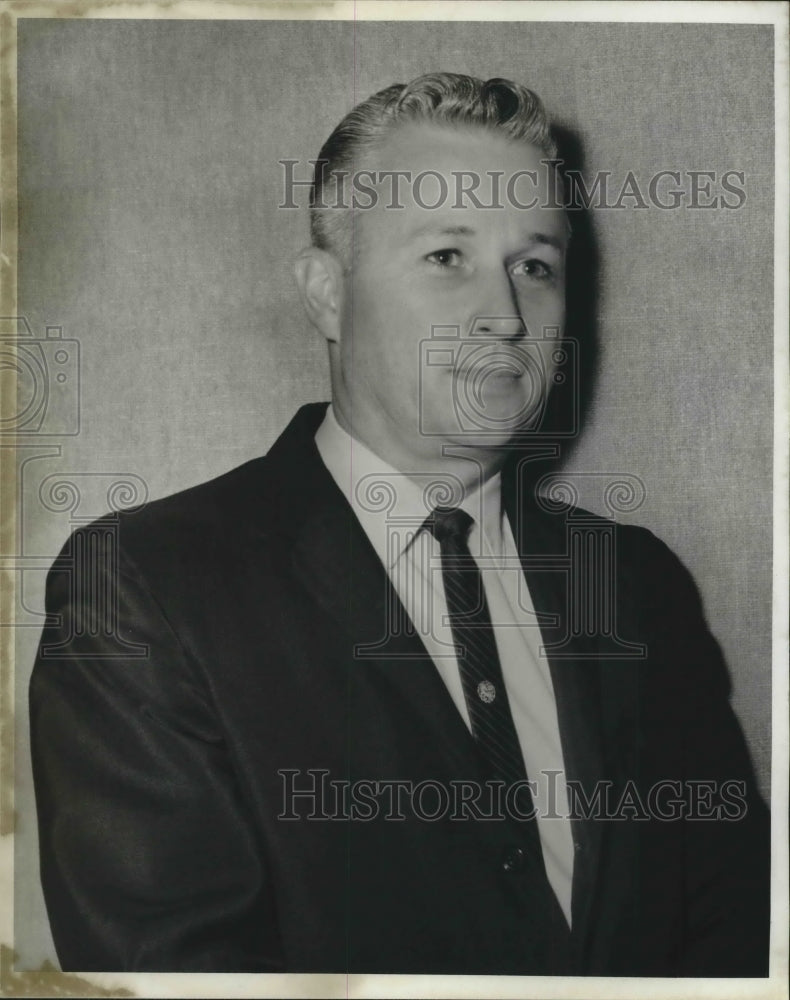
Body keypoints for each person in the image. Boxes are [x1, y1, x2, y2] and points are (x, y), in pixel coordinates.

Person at [29, 72, 770, 976]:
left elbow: (734, 940)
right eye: (447, 257)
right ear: (327, 294)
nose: (504, 318)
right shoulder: (144, 587)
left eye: (533, 265)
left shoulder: (636, 582)